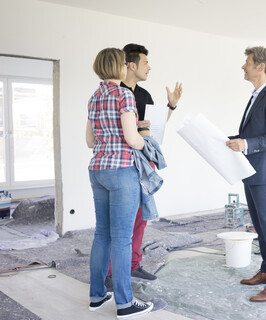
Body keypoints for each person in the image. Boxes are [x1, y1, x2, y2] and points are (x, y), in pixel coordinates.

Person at [104, 43, 183, 288]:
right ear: (131, 64)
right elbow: (116, 129)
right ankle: (109, 273)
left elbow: (154, 128)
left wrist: (170, 107)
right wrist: (137, 129)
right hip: (123, 162)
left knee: (141, 216)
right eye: (146, 62)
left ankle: (133, 265)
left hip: (145, 159)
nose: (149, 67)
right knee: (119, 220)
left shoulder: (144, 95)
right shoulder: (117, 92)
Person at [86, 47, 153, 318]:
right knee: (122, 239)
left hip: (97, 169)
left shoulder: (94, 97)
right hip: (122, 169)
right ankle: (125, 303)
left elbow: (90, 141)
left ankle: (97, 296)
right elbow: (132, 139)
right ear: (120, 66)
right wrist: (144, 136)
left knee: (102, 234)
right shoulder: (123, 94)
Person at [226, 46, 266, 302]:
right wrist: (232, 140)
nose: (243, 66)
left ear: (260, 66)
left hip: (264, 173)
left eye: (247, 62)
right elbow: (254, 132)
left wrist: (247, 145)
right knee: (260, 226)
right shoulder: (256, 96)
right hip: (251, 172)